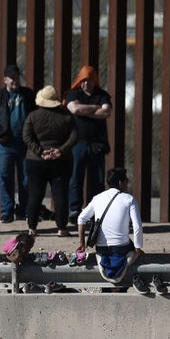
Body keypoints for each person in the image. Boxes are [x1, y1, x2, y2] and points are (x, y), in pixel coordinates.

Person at [76, 168, 151, 294]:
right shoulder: (129, 199)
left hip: (102, 250)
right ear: (121, 182)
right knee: (133, 247)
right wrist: (138, 249)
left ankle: (111, 288)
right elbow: (137, 226)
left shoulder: (97, 198)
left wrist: (81, 243)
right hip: (122, 250)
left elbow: (81, 218)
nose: (127, 183)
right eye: (126, 180)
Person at [23, 85, 77, 237]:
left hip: (35, 161)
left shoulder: (32, 116)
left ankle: (32, 228)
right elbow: (74, 137)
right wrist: (60, 150)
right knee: (60, 195)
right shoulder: (66, 116)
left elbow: (26, 137)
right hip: (62, 161)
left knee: (35, 194)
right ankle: (62, 228)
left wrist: (40, 151)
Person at [0, 64, 36, 223]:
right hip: (5, 144)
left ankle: (24, 211)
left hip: (24, 144)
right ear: (5, 80)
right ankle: (7, 212)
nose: (15, 81)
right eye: (12, 78)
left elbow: (35, 115)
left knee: (26, 178)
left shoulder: (27, 94)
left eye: (17, 77)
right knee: (5, 177)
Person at [66, 65, 113, 224]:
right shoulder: (73, 93)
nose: (87, 84)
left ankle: (96, 211)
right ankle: (75, 210)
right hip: (78, 143)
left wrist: (84, 109)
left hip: (97, 144)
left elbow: (106, 112)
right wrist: (95, 108)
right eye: (84, 81)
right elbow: (74, 109)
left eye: (90, 80)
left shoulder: (103, 94)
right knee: (75, 178)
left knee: (97, 180)